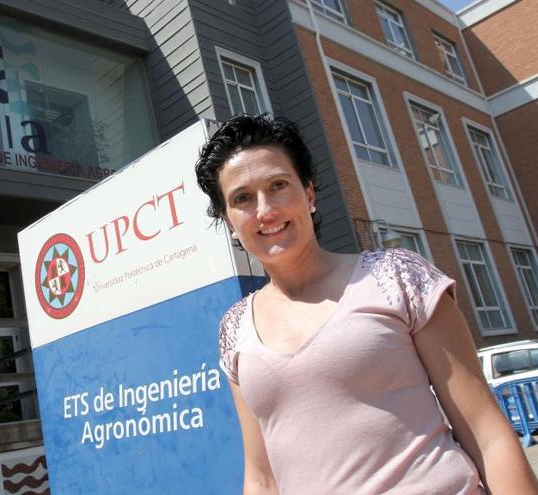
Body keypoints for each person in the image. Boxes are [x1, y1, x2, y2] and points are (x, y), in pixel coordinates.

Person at [194, 114, 538, 494]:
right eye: (242, 198)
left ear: (309, 195)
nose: (265, 210)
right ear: (228, 221)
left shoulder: (396, 278)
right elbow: (262, 478)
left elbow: (487, 433)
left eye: (278, 185)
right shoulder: (235, 329)